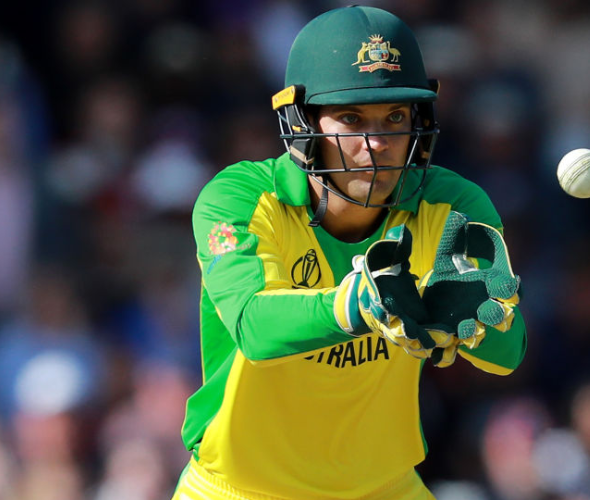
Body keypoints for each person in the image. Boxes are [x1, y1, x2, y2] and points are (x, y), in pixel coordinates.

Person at [171, 6, 527, 500]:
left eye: (396, 117)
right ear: (301, 122)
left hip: (385, 489)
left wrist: (464, 325)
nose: (376, 143)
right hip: (240, 490)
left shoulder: (453, 205)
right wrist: (359, 302)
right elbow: (254, 327)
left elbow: (509, 354)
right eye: (352, 117)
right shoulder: (241, 198)